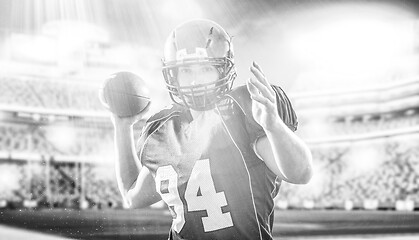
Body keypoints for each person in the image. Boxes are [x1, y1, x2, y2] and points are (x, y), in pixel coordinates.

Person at [112, 19, 313, 240]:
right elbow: (133, 196)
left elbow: (300, 173)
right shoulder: (162, 130)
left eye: (206, 69)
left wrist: (274, 127)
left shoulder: (242, 110)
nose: (196, 80)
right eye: (186, 70)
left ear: (223, 70)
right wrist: (122, 126)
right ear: (173, 76)